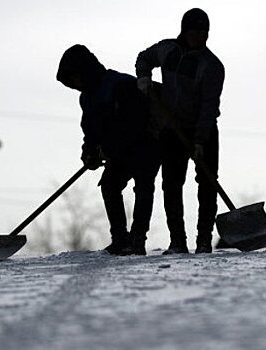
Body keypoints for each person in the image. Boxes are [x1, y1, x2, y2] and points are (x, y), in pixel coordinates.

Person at [135, 8, 225, 254]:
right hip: (170, 129)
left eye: (204, 32)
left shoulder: (212, 66)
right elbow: (144, 57)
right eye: (195, 31)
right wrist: (143, 76)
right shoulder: (167, 50)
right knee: (171, 185)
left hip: (202, 130)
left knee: (207, 183)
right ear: (184, 31)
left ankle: (204, 240)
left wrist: (199, 141)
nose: (200, 36)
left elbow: (209, 106)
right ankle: (178, 241)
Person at [57, 44, 160, 256]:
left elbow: (133, 124)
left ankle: (137, 239)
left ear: (84, 71)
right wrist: (89, 153)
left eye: (74, 79)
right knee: (110, 185)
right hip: (118, 152)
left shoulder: (120, 85)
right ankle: (120, 239)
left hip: (146, 144)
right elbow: (91, 131)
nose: (74, 85)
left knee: (143, 185)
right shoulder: (86, 97)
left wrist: (108, 149)